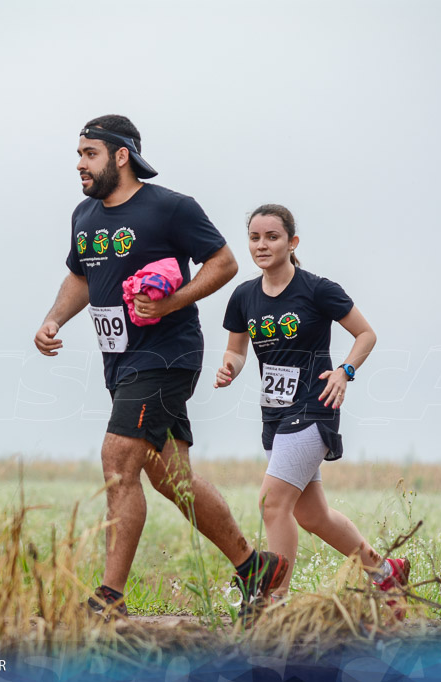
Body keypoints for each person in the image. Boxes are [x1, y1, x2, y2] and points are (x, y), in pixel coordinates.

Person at [33, 115, 288, 618]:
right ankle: (254, 566)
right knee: (173, 480)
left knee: (117, 463)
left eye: (90, 154)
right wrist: (53, 319)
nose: (81, 165)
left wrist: (171, 304)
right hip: (121, 362)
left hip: (167, 355)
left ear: (120, 155)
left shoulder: (170, 207)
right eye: (79, 155)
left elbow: (224, 262)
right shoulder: (83, 216)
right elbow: (79, 277)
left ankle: (110, 598)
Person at [214, 203, 410, 610]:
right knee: (313, 516)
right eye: (255, 237)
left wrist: (345, 372)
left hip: (314, 405)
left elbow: (366, 334)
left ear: (292, 242)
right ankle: (385, 572)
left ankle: (274, 599)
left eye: (272, 237)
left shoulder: (317, 289)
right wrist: (229, 369)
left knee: (272, 503)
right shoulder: (243, 296)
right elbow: (236, 350)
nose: (262, 245)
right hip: (275, 412)